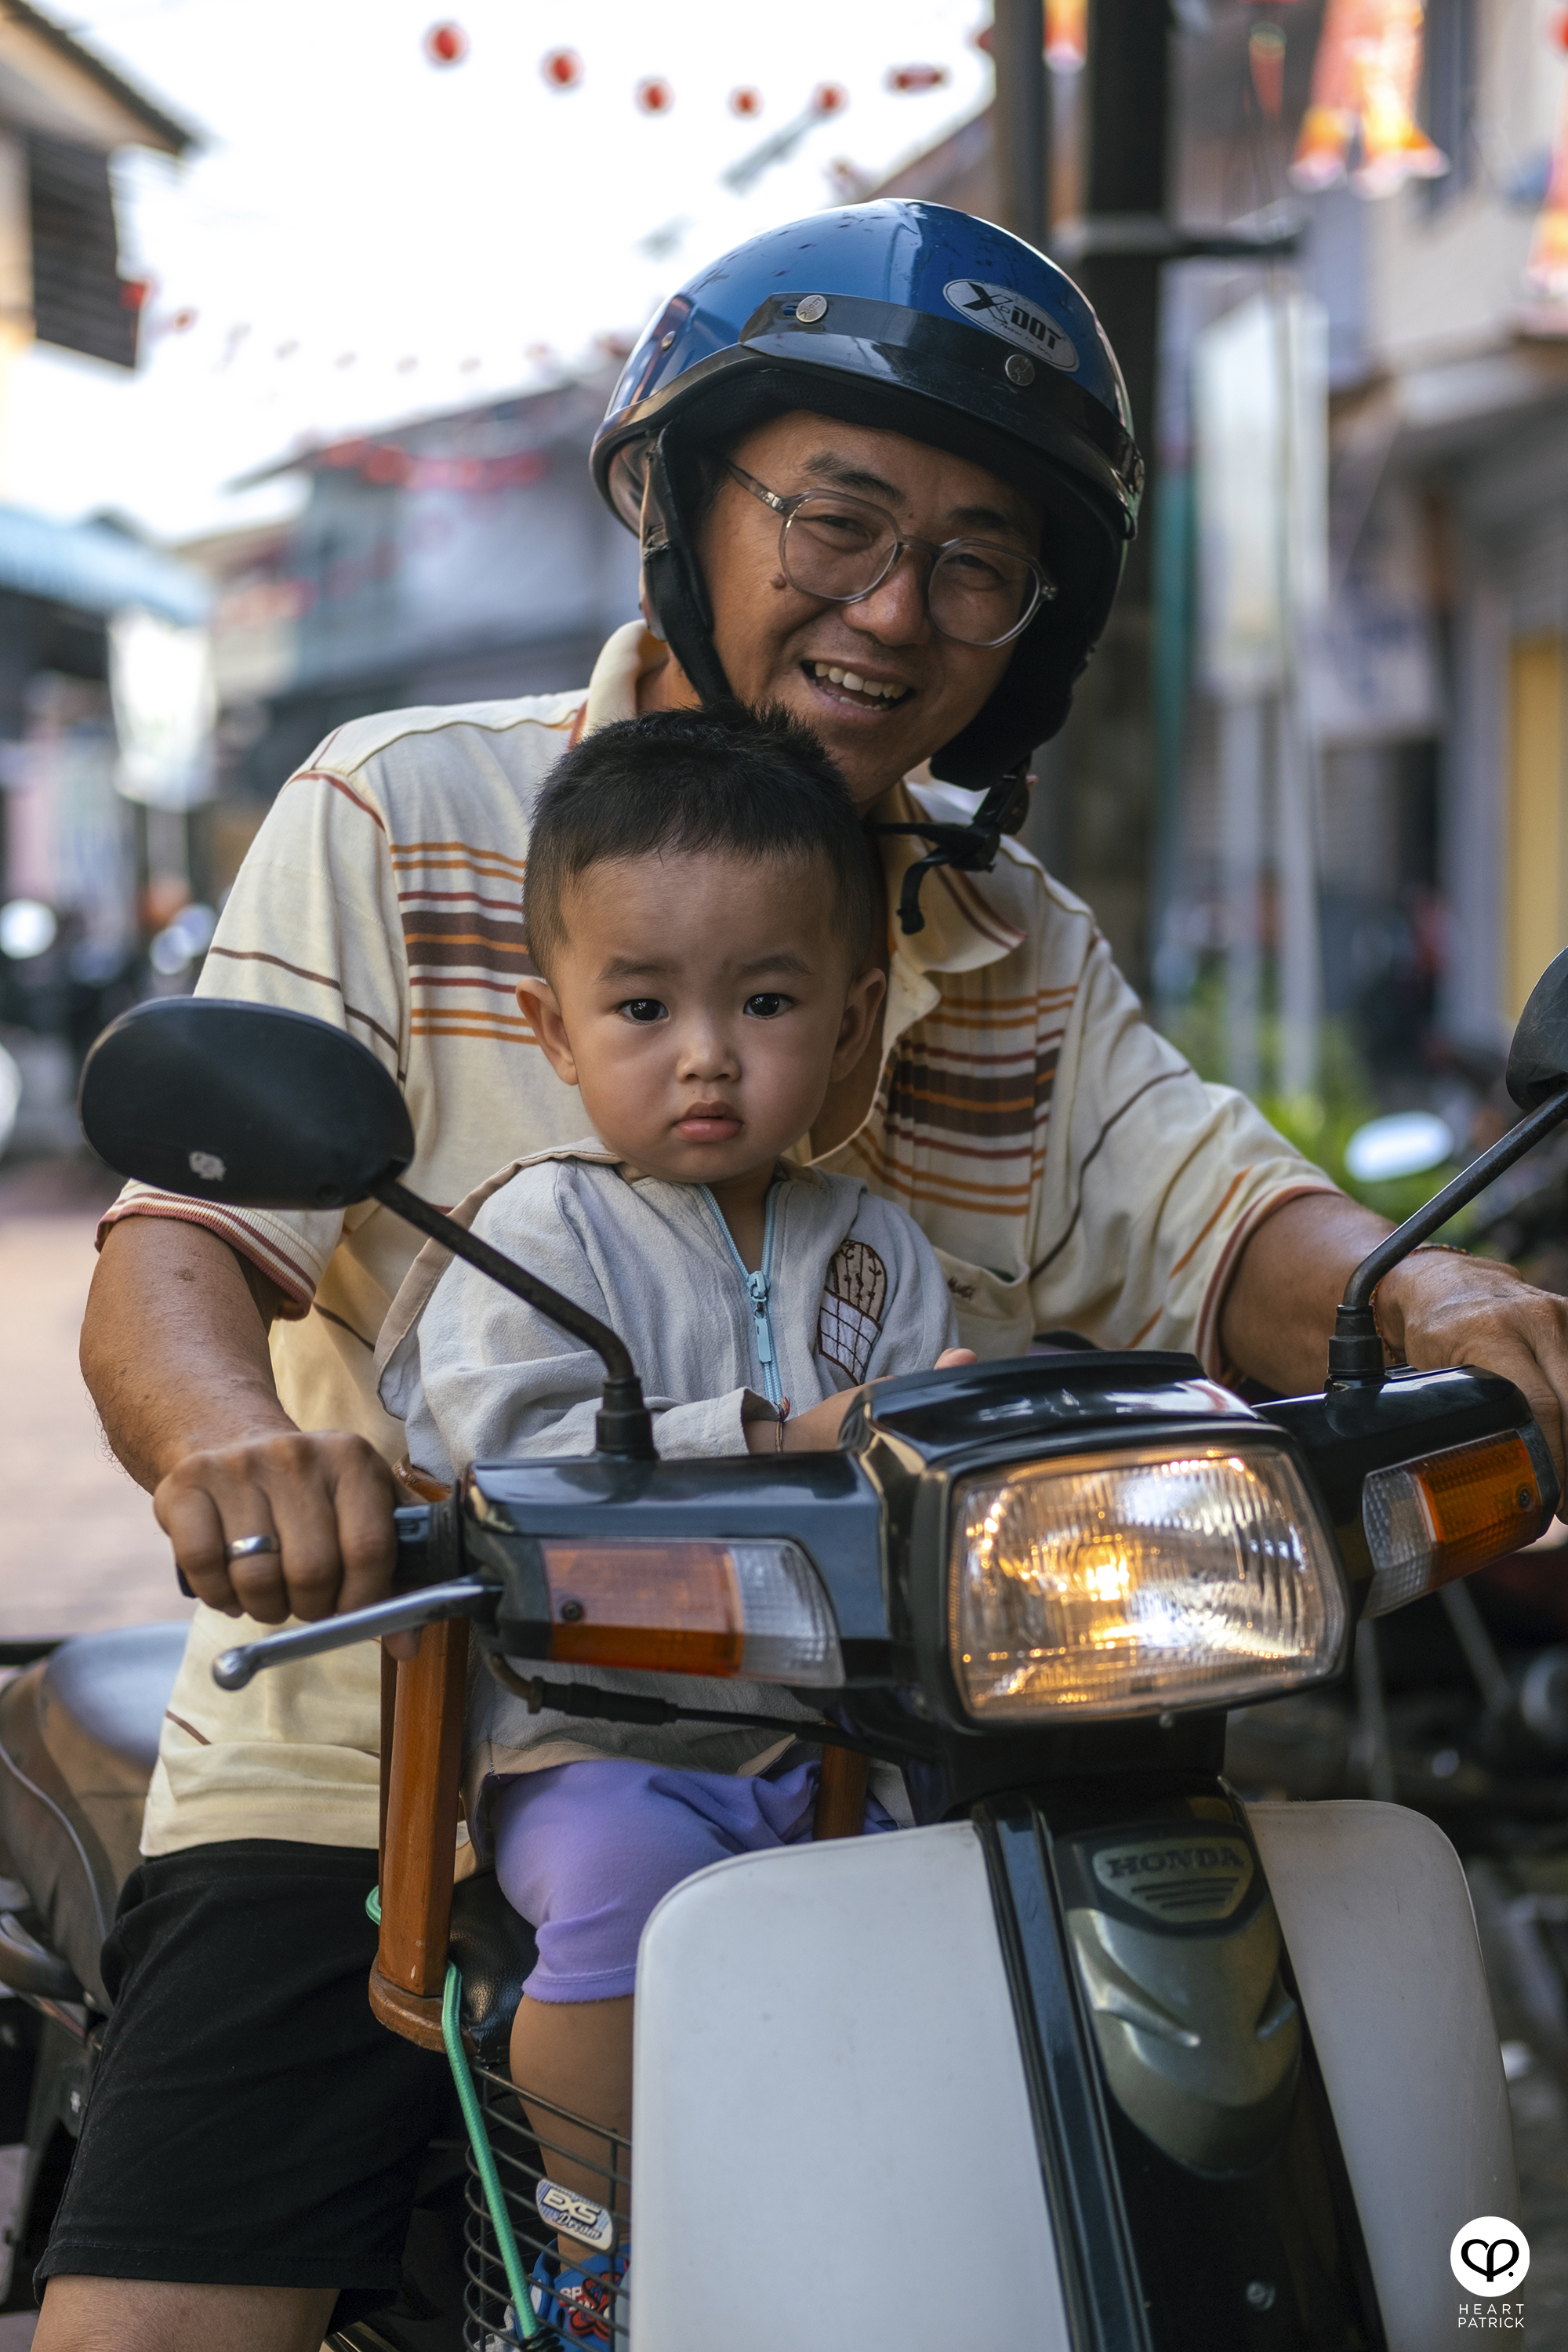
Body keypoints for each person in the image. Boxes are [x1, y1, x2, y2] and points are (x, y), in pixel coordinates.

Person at [41, 201, 1568, 2350]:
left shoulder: (1010, 935)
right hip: (404, 1731)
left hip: (928, 1747)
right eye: (838, 516)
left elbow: (1217, 1210)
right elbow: (187, 1245)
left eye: (975, 556)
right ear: (683, 501)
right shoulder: (411, 808)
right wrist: (229, 1448)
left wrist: (1436, 1305)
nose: (894, 606)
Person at [378, 702, 973, 2334]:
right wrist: (779, 1438)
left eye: (764, 1001)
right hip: (603, 1741)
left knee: (976, 1911)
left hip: (838, 1738)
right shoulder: (534, 1238)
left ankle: (909, 2220)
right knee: (619, 1900)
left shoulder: (881, 1251)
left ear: (850, 1025)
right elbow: (511, 1458)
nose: (706, 1051)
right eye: (642, 1005)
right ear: (553, 1029)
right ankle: (589, 2243)